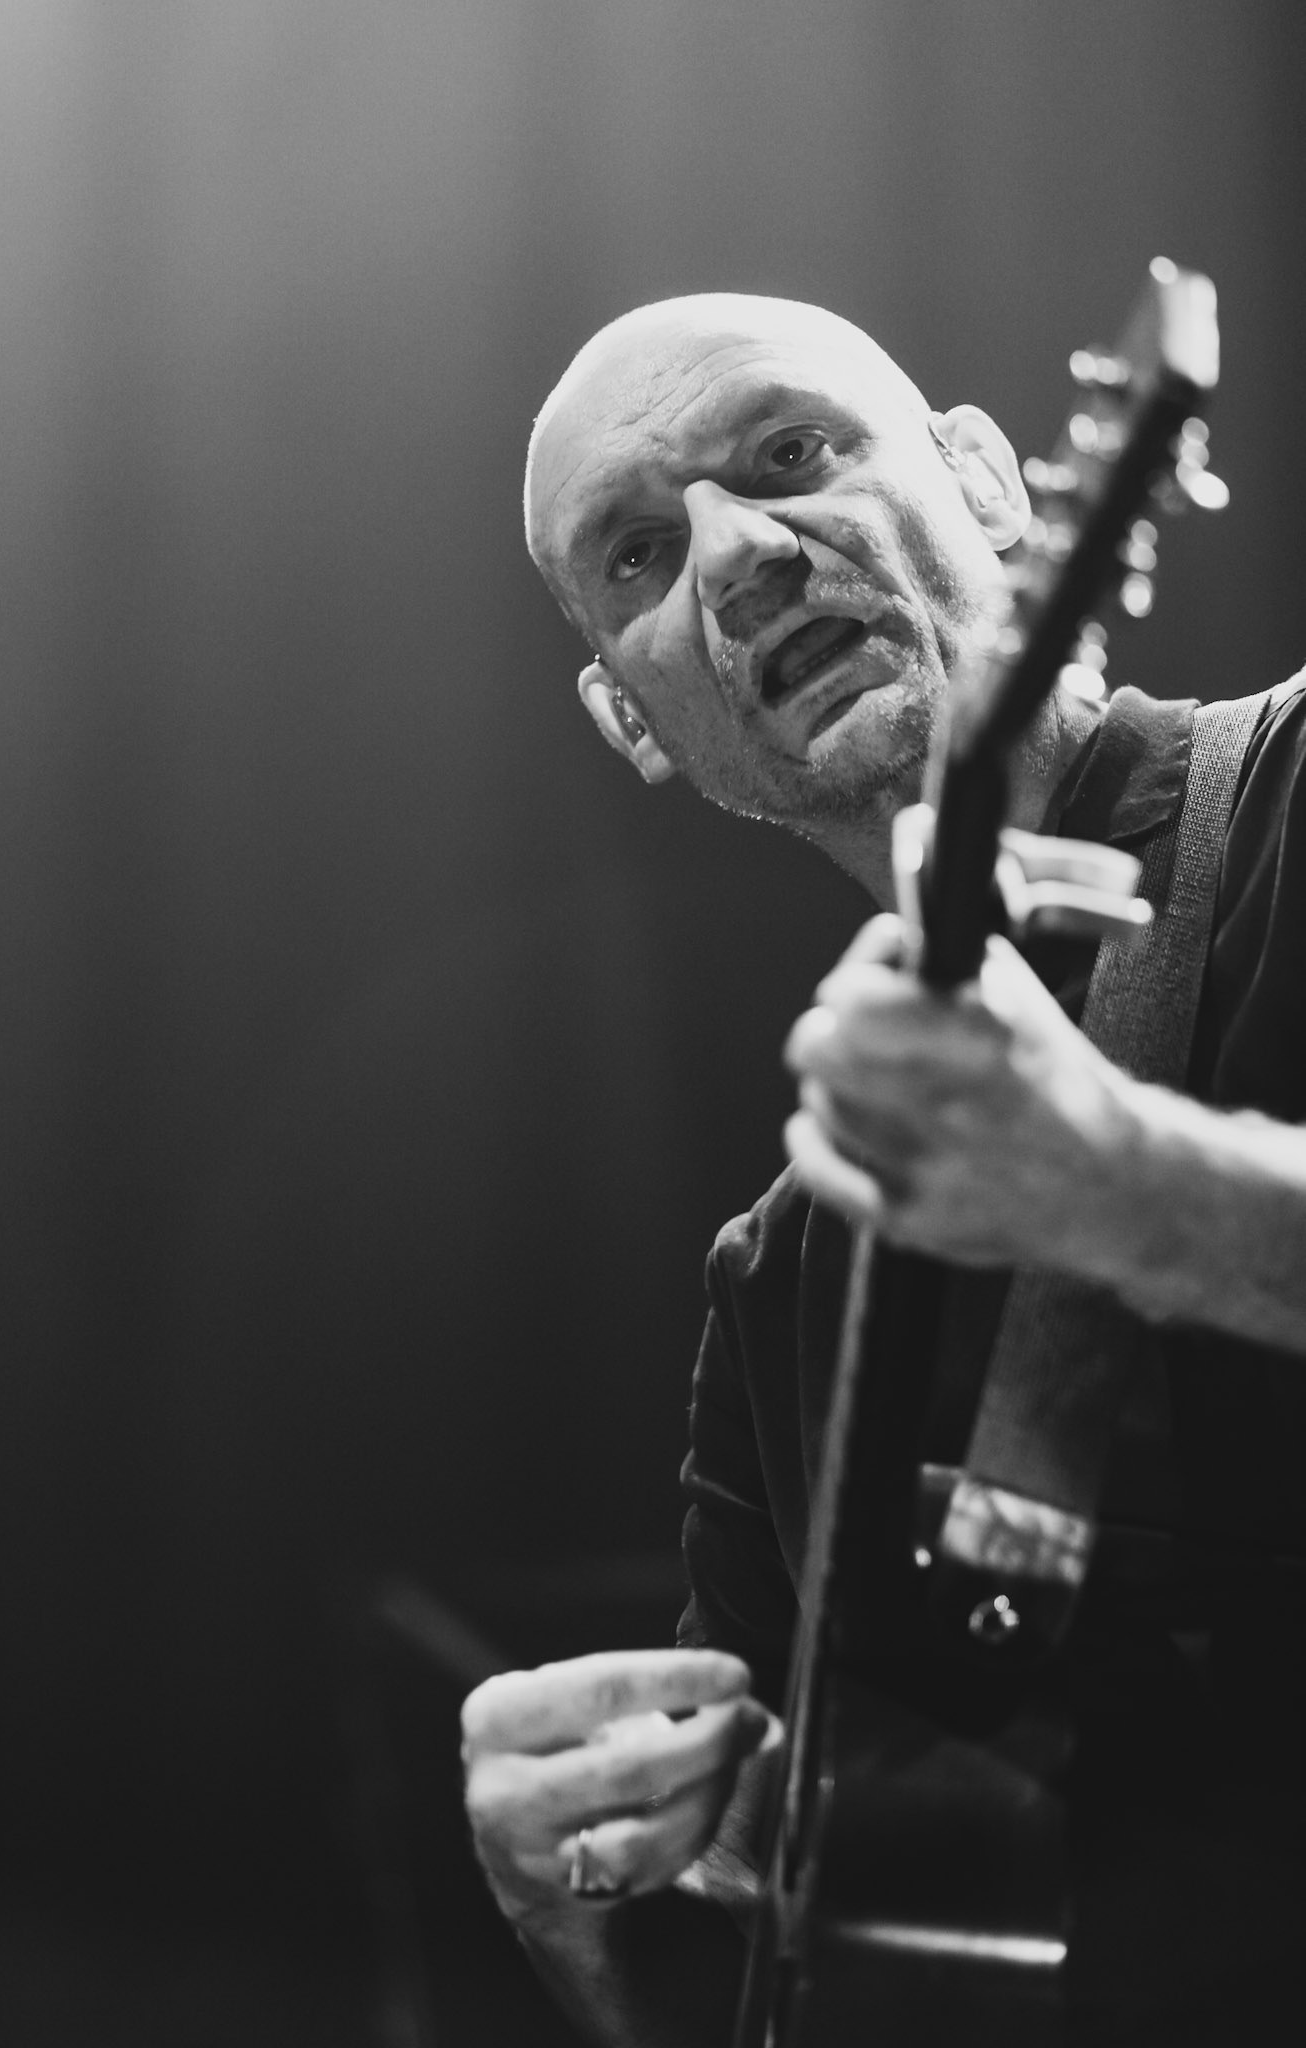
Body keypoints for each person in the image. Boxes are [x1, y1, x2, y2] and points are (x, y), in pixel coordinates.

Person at [460, 294, 1306, 2045]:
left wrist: (1134, 1192)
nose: (738, 552)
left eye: (788, 453)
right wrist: (611, 1918)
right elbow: (819, 1971)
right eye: (636, 551)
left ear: (991, 485)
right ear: (633, 721)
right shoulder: (783, 1286)